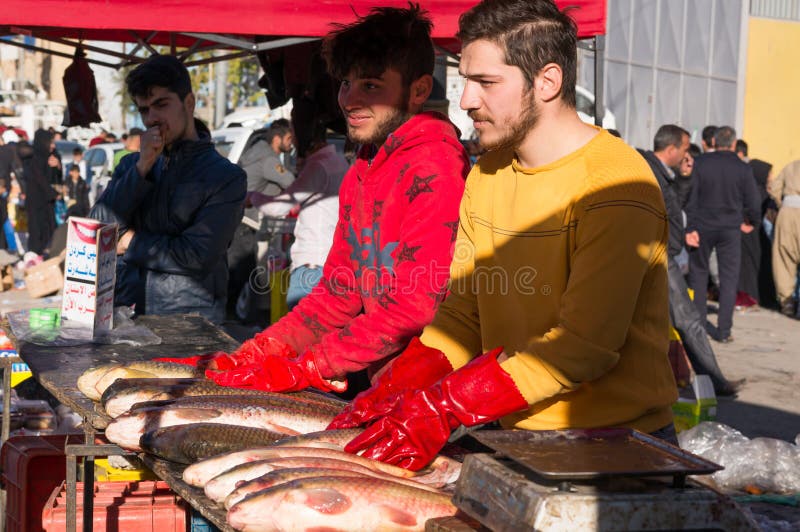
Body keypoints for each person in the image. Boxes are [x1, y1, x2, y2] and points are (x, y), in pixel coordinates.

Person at [334, 0, 679, 470]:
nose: (465, 100)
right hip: (510, 431)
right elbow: (463, 312)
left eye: (486, 83)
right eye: (466, 80)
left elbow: (582, 347)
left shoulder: (616, 185)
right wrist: (400, 384)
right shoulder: (491, 170)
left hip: (616, 445)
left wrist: (445, 405)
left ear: (548, 82)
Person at [162, 5, 469, 396]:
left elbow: (413, 306)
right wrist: (261, 350)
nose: (350, 101)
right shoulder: (365, 163)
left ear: (419, 90)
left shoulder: (435, 165)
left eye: (371, 86)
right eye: (346, 84)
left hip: (434, 394)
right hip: (381, 386)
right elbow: (339, 292)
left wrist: (313, 364)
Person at [89, 54, 246, 323]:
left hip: (189, 319)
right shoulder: (132, 165)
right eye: (143, 110)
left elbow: (197, 255)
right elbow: (97, 230)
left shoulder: (225, 177)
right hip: (128, 313)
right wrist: (141, 169)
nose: (152, 118)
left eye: (161, 105)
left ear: (189, 103)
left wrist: (129, 242)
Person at [640, 125, 741, 396]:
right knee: (689, 321)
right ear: (671, 148)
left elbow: (674, 209)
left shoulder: (663, 174)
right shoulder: (648, 170)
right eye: (685, 148)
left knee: (677, 322)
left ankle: (709, 380)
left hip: (663, 252)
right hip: (658, 255)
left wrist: (684, 179)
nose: (688, 155)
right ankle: (716, 381)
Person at [248, 121, 349, 310]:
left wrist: (252, 197)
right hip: (332, 261)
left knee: (302, 332)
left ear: (305, 136)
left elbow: (279, 207)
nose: (292, 141)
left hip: (312, 266)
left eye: (294, 134)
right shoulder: (339, 161)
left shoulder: (319, 166)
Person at [685, 126, 761, 343]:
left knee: (698, 275)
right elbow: (753, 202)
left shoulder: (700, 164)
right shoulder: (743, 168)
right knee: (729, 278)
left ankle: (698, 327)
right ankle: (724, 330)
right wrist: (752, 222)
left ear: (714, 142)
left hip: (702, 225)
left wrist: (689, 227)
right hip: (730, 228)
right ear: (734, 144)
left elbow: (691, 197)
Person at [769, 159, 800, 318]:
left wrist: (783, 204)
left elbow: (774, 188)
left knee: (784, 257)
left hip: (787, 213)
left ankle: (786, 301)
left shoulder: (791, 165)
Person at [20, 130, 59, 255]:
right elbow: (40, 179)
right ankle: (36, 258)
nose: (53, 146)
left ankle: (47, 254)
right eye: (50, 142)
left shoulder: (51, 156)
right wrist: (53, 193)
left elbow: (56, 178)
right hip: (36, 202)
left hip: (47, 202)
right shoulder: (32, 158)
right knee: (36, 231)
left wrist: (57, 166)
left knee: (49, 229)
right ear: (43, 142)